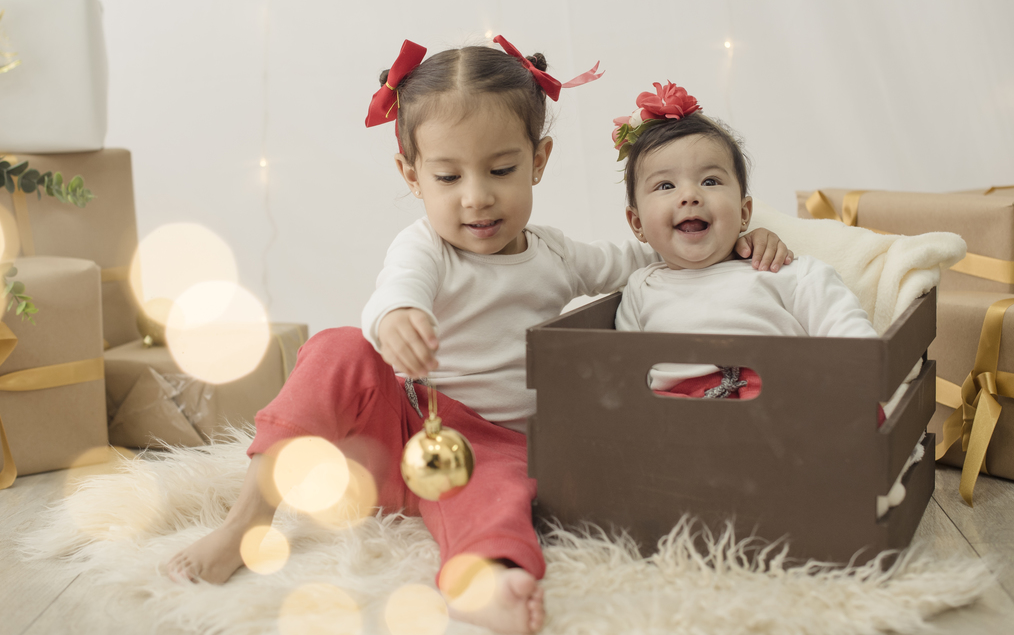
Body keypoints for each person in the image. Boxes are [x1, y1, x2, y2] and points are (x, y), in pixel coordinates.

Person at [167, 41, 792, 635]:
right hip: (397, 429)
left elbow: (646, 255)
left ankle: (485, 580)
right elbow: (396, 289)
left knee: (504, 498)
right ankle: (246, 521)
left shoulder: (556, 255)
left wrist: (735, 238)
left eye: (501, 170)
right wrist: (396, 318)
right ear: (411, 175)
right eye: (448, 177)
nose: (477, 198)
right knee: (339, 347)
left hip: (492, 448)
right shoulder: (425, 248)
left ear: (538, 161)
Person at [611, 82, 877, 401]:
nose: (690, 195)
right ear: (637, 224)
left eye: (710, 181)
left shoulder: (782, 271)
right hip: (680, 417)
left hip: (779, 401)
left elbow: (850, 337)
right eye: (666, 186)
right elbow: (627, 376)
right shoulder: (642, 289)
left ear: (744, 212)